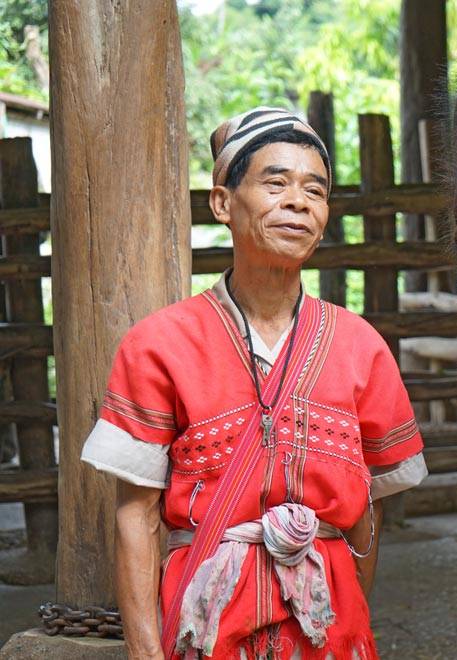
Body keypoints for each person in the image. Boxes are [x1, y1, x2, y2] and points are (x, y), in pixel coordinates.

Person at [80, 107, 427, 660]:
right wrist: (145, 654)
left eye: (315, 190)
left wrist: (349, 624)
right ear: (222, 202)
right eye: (276, 183)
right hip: (204, 633)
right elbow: (136, 514)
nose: (298, 202)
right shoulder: (158, 345)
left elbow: (368, 512)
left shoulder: (361, 347)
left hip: (327, 634)